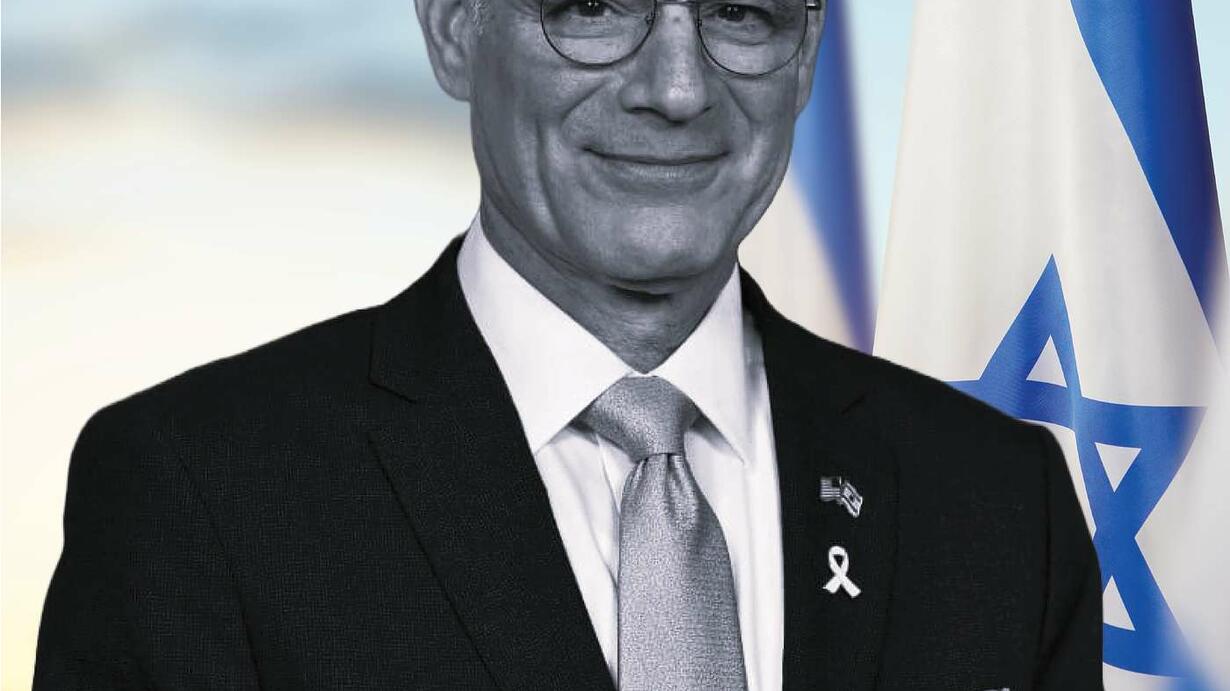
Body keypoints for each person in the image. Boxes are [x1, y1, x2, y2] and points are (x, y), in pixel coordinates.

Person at [34, 0, 1103, 688]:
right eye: (592, 7)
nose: (677, 89)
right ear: (453, 27)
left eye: (740, 12)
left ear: (809, 51)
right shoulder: (203, 495)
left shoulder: (1000, 504)